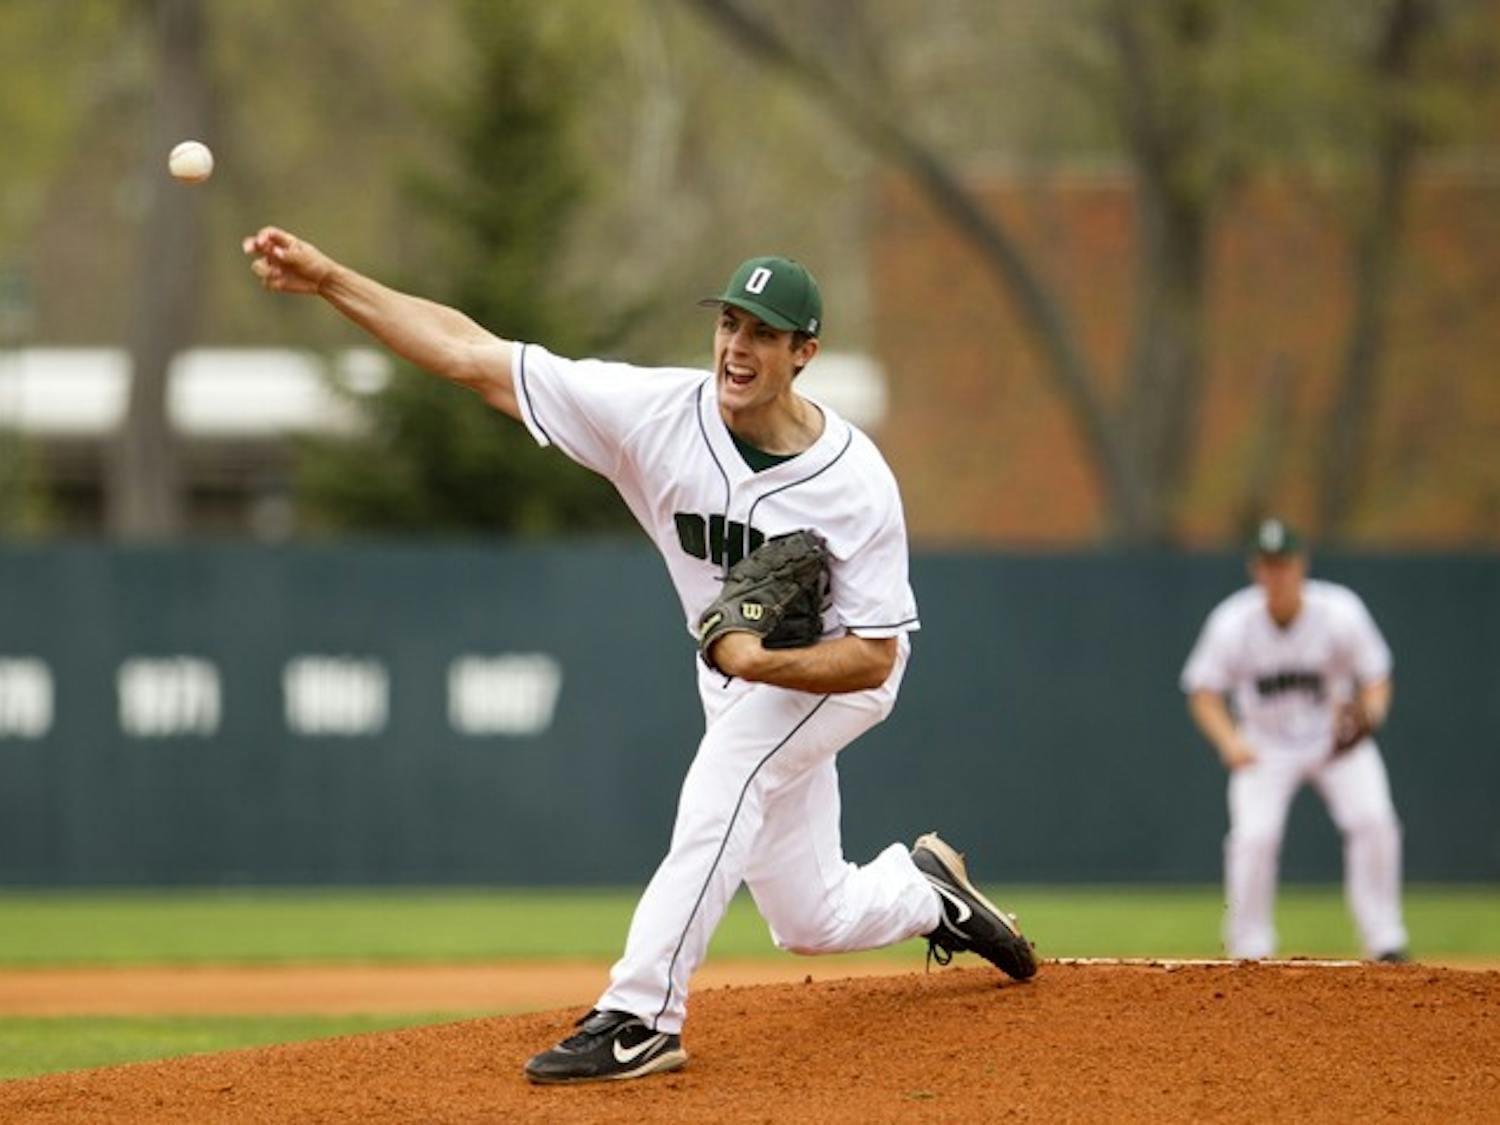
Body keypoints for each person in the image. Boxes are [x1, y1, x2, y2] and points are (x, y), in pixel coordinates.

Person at [243, 228, 1037, 1083]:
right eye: (730, 323)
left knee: (723, 782)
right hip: (738, 676)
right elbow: (472, 355)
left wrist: (760, 664)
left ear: (804, 353)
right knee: (809, 916)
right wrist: (330, 279)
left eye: (764, 333)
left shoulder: (857, 481)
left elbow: (876, 658)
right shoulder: (655, 416)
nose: (737, 346)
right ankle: (929, 894)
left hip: (831, 672)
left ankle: (640, 1014)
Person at [1181, 517, 1408, 963]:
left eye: (1283, 564)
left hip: (1335, 742)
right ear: (1255, 570)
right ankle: (1249, 949)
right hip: (1264, 745)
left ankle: (1385, 940)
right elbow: (1203, 691)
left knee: (1373, 822)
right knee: (1253, 838)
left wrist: (1373, 713)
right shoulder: (1233, 622)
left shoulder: (1340, 611)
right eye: (1267, 565)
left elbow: (1377, 677)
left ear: (1300, 564)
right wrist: (1229, 741)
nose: (1276, 575)